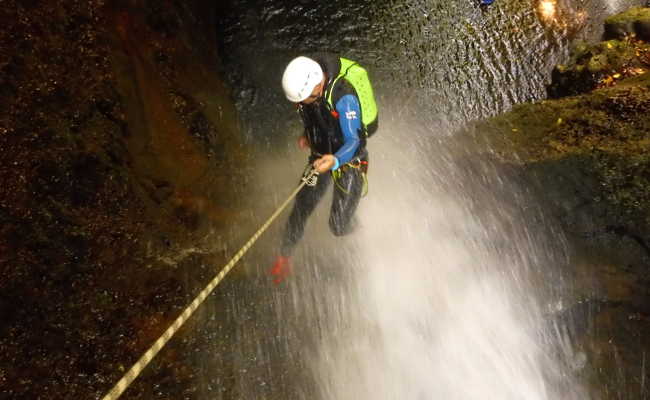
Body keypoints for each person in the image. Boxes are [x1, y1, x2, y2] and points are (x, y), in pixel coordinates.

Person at [270, 54, 378, 284]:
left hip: (349, 162)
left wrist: (335, 161)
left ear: (318, 86)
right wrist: (308, 136)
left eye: (303, 98)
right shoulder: (309, 93)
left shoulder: (344, 97)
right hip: (320, 158)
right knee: (301, 207)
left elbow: (354, 140)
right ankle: (284, 256)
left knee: (338, 226)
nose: (299, 104)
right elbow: (316, 115)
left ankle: (363, 230)